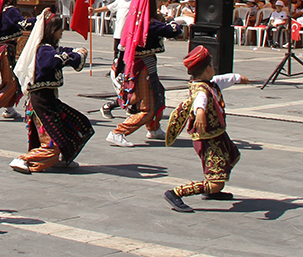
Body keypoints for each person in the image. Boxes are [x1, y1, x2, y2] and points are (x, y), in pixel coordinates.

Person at [161, 46, 251, 211]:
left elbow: (222, 80)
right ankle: (176, 193)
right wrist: (200, 113)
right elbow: (199, 101)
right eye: (212, 66)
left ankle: (213, 188)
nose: (214, 69)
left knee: (232, 157)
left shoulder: (209, 83)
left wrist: (238, 78)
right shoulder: (201, 90)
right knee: (216, 182)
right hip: (207, 139)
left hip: (217, 134)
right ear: (208, 68)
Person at [8, 12, 93, 173]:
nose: (62, 32)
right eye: (59, 29)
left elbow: (61, 51)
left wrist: (76, 51)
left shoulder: (49, 48)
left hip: (49, 101)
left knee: (80, 124)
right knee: (51, 146)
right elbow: (52, 61)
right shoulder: (43, 50)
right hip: (42, 103)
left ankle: (62, 158)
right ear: (51, 30)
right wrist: (74, 55)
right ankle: (23, 159)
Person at [107, 14, 182, 146]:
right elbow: (174, 30)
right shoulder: (148, 24)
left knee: (159, 96)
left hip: (147, 66)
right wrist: (170, 21)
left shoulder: (141, 21)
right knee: (147, 108)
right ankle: (118, 132)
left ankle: (153, 128)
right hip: (142, 68)